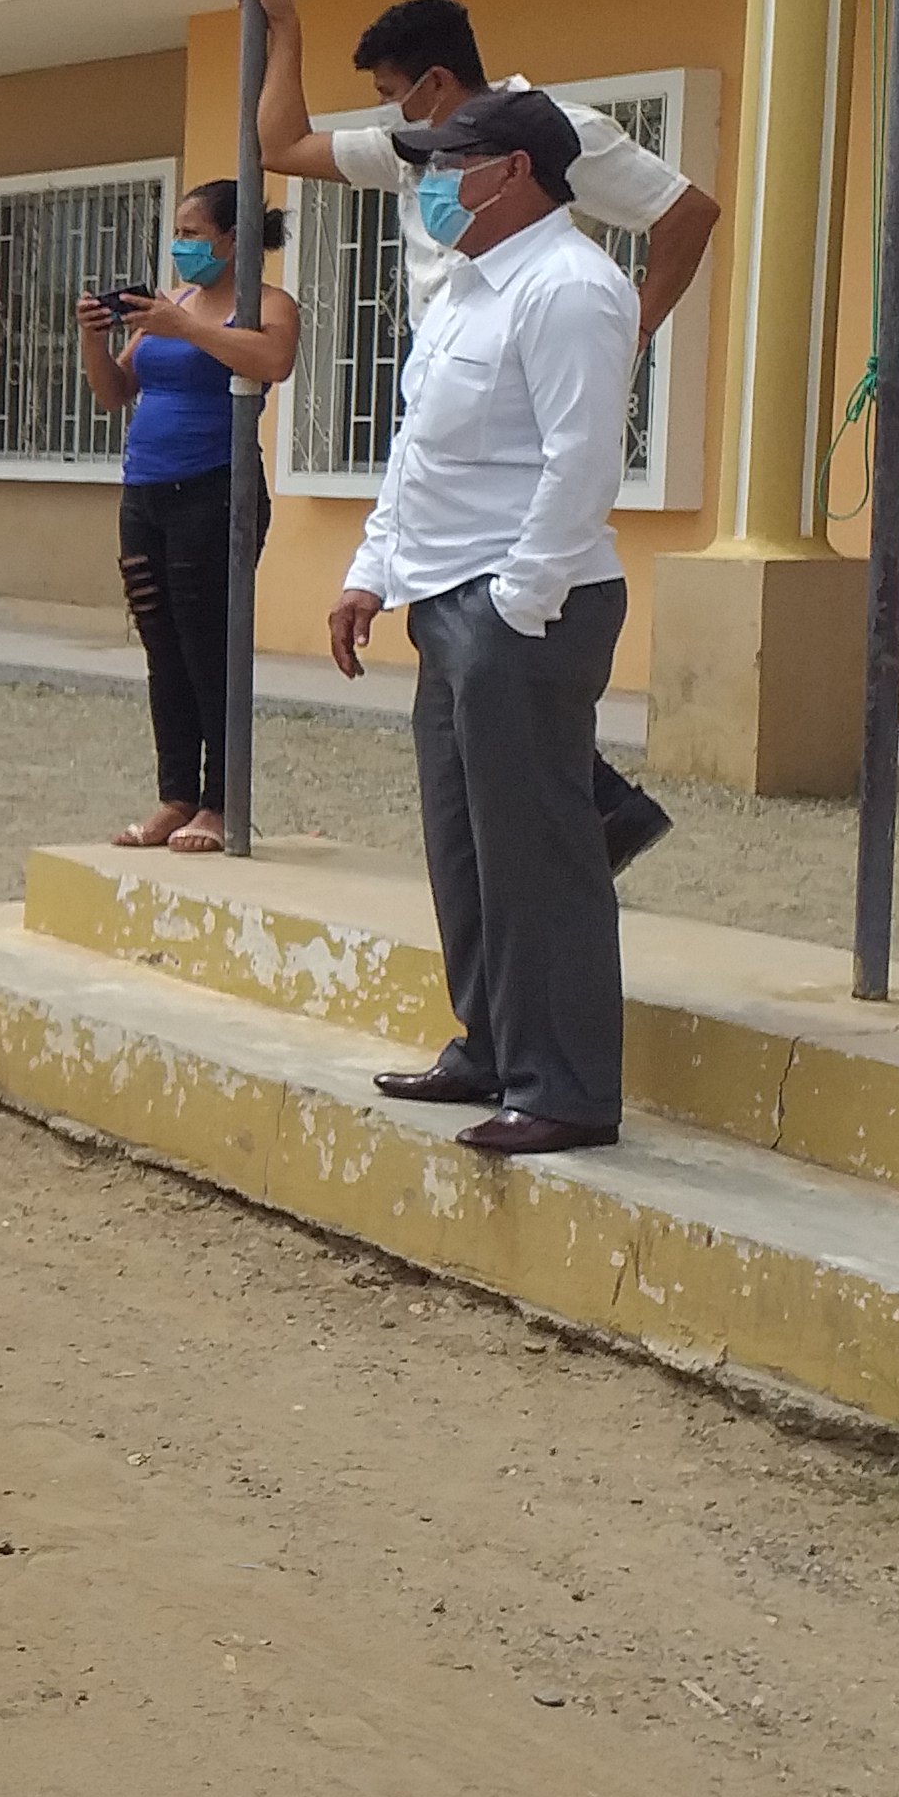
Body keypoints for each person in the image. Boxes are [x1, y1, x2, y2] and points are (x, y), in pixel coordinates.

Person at [233, 0, 716, 873]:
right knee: (472, 784)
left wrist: (639, 326)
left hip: (521, 407)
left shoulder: (559, 134)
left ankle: (583, 833)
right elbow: (282, 146)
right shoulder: (415, 149)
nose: (396, 122)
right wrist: (286, 30)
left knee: (511, 725)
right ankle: (589, 825)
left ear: (437, 83)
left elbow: (686, 211)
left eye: (393, 93)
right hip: (450, 389)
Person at [328, 86, 640, 1157]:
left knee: (537, 853)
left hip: (526, 603)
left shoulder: (571, 288)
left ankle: (566, 1089)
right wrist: (372, 572)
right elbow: (418, 449)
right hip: (446, 595)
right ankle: (492, 1046)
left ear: (513, 172)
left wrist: (517, 602)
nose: (429, 183)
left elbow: (582, 461)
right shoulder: (466, 288)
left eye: (447, 164)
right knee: (465, 845)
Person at [75, 180, 301, 853]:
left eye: (194, 234)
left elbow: (273, 361)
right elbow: (115, 392)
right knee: (162, 646)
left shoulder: (268, 305)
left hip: (216, 491)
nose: (181, 246)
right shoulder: (168, 306)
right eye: (177, 233)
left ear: (232, 240)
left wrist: (189, 330)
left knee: (210, 647)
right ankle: (175, 796)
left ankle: (221, 803)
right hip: (145, 493)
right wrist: (93, 339)